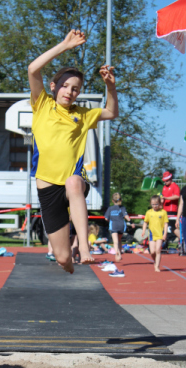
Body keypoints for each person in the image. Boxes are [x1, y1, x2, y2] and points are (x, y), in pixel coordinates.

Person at [28, 28, 119, 274]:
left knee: (74, 182)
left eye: (75, 88)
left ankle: (85, 247)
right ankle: (68, 259)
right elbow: (33, 69)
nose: (69, 91)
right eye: (65, 86)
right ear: (53, 86)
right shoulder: (42, 104)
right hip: (47, 187)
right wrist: (64, 46)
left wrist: (110, 87)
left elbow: (112, 112)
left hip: (73, 183)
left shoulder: (82, 114)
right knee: (61, 257)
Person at [142, 196, 168, 272]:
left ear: (159, 204)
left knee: (158, 250)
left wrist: (165, 234)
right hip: (151, 234)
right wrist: (143, 231)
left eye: (156, 204)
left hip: (160, 234)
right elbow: (145, 222)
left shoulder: (163, 212)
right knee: (152, 251)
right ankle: (155, 261)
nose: (155, 206)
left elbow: (166, 224)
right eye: (153, 204)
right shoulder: (149, 212)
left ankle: (157, 266)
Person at [104, 192, 132, 262]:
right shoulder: (122, 208)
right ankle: (120, 252)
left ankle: (117, 253)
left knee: (115, 242)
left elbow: (106, 218)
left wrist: (110, 220)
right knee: (119, 240)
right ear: (120, 200)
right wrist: (131, 222)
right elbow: (126, 216)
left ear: (112, 201)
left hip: (114, 225)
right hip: (121, 225)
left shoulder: (110, 208)